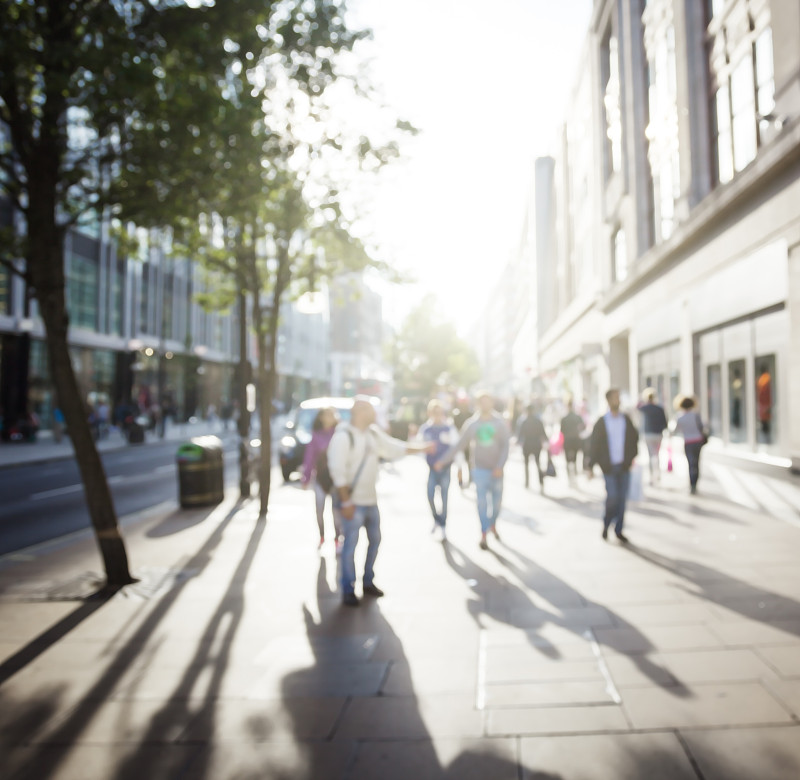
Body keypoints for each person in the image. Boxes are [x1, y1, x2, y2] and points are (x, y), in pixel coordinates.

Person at [327, 396, 434, 607]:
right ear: (359, 412)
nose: (375, 414)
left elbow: (395, 448)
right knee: (350, 546)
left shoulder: (373, 434)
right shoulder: (343, 437)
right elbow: (337, 471)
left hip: (370, 500)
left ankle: (368, 581)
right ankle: (348, 589)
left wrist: (422, 448)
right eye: (370, 410)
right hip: (353, 502)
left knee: (375, 540)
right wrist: (346, 502)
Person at [435, 391, 511, 551]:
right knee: (482, 503)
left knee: (496, 504)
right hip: (480, 470)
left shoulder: (499, 423)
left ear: (491, 403)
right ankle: (484, 533)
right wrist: (443, 461)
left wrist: (500, 466)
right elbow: (459, 445)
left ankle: (492, 524)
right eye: (481, 402)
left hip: (496, 471)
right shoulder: (472, 424)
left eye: (487, 401)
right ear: (478, 404)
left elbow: (506, 446)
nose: (485, 405)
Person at [585, 388, 639, 542]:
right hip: (609, 467)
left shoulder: (626, 420)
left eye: (619, 397)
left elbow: (634, 440)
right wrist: (591, 465)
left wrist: (630, 459)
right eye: (615, 397)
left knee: (622, 500)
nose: (618, 400)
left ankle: (618, 529)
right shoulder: (602, 422)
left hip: (623, 466)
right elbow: (594, 445)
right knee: (612, 497)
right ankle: (606, 523)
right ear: (608, 400)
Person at [417, 400, 463, 541]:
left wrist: (459, 467)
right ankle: (436, 519)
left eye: (440, 412)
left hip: (445, 469)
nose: (437, 415)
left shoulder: (449, 429)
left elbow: (456, 449)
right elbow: (419, 447)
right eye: (434, 412)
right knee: (430, 495)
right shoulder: (425, 429)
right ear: (430, 413)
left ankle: (443, 525)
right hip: (432, 469)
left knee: (444, 498)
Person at [301, 407, 343, 552]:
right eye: (326, 415)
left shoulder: (340, 434)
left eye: (331, 415)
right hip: (320, 478)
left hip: (337, 479)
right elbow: (309, 457)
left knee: (336, 512)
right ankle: (322, 536)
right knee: (319, 510)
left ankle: (338, 539)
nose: (329, 417)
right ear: (321, 418)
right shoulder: (316, 435)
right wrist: (305, 477)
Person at [671, 395, 707, 495]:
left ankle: (692, 484)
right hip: (698, 441)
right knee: (696, 462)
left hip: (688, 442)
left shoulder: (679, 417)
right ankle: (695, 483)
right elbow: (703, 426)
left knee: (690, 463)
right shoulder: (695, 415)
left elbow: (674, 430)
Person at [638, 389, 668, 484]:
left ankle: (651, 476)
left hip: (648, 434)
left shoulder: (644, 408)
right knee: (657, 454)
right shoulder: (659, 408)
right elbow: (665, 423)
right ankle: (657, 474)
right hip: (658, 434)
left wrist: (641, 399)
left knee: (650, 455)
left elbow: (636, 406)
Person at [515, 402, 547, 490]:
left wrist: (517, 442)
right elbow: (543, 433)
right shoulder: (538, 421)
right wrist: (546, 442)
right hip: (536, 445)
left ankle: (527, 482)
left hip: (527, 445)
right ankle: (541, 482)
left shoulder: (524, 422)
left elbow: (519, 435)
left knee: (526, 464)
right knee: (538, 463)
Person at [560, 397, 586, 478]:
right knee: (574, 458)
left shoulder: (564, 418)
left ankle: (570, 475)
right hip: (575, 440)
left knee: (568, 459)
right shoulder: (577, 417)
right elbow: (583, 427)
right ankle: (574, 474)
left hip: (568, 440)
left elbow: (562, 431)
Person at [756, 364, 772, 441]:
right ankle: (767, 438)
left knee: (765, 421)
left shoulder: (764, 379)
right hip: (765, 403)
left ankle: (767, 437)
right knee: (765, 421)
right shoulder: (765, 378)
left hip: (764, 403)